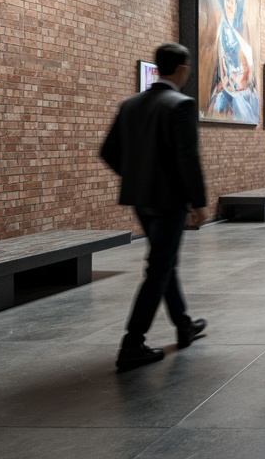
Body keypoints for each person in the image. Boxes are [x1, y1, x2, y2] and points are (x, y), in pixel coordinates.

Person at [101, 42, 209, 371]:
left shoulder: (130, 104)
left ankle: (184, 324)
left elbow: (108, 151)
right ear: (182, 69)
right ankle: (132, 343)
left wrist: (137, 176)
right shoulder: (181, 104)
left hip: (141, 198)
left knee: (164, 263)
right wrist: (198, 202)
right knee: (159, 267)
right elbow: (187, 158)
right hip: (170, 200)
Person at [205, 0, 258, 122]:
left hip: (241, 93)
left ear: (238, 4)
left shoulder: (242, 32)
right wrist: (224, 83)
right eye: (227, 1)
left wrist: (236, 84)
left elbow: (249, 71)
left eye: (233, 2)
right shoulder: (221, 30)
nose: (229, 7)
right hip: (227, 89)